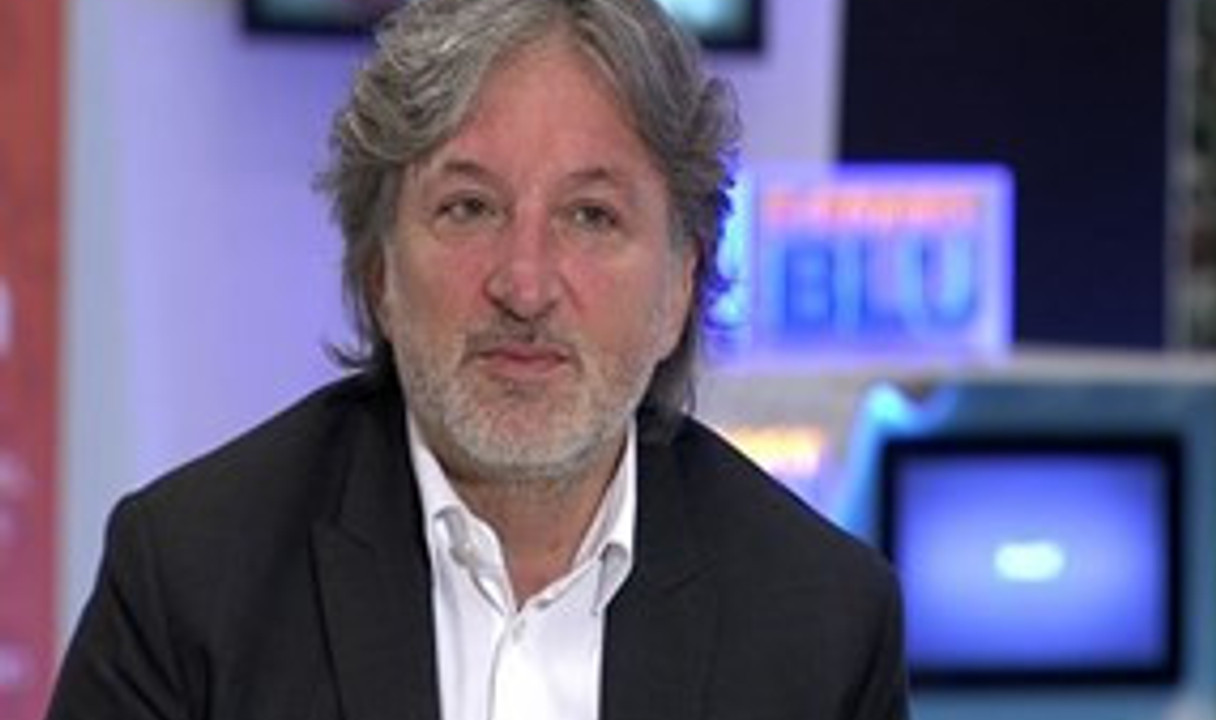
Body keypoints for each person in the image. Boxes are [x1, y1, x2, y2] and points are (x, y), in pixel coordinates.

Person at [46, 0, 910, 718]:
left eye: (591, 217)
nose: (525, 286)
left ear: (681, 284)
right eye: (469, 208)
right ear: (379, 268)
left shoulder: (822, 625)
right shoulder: (190, 581)